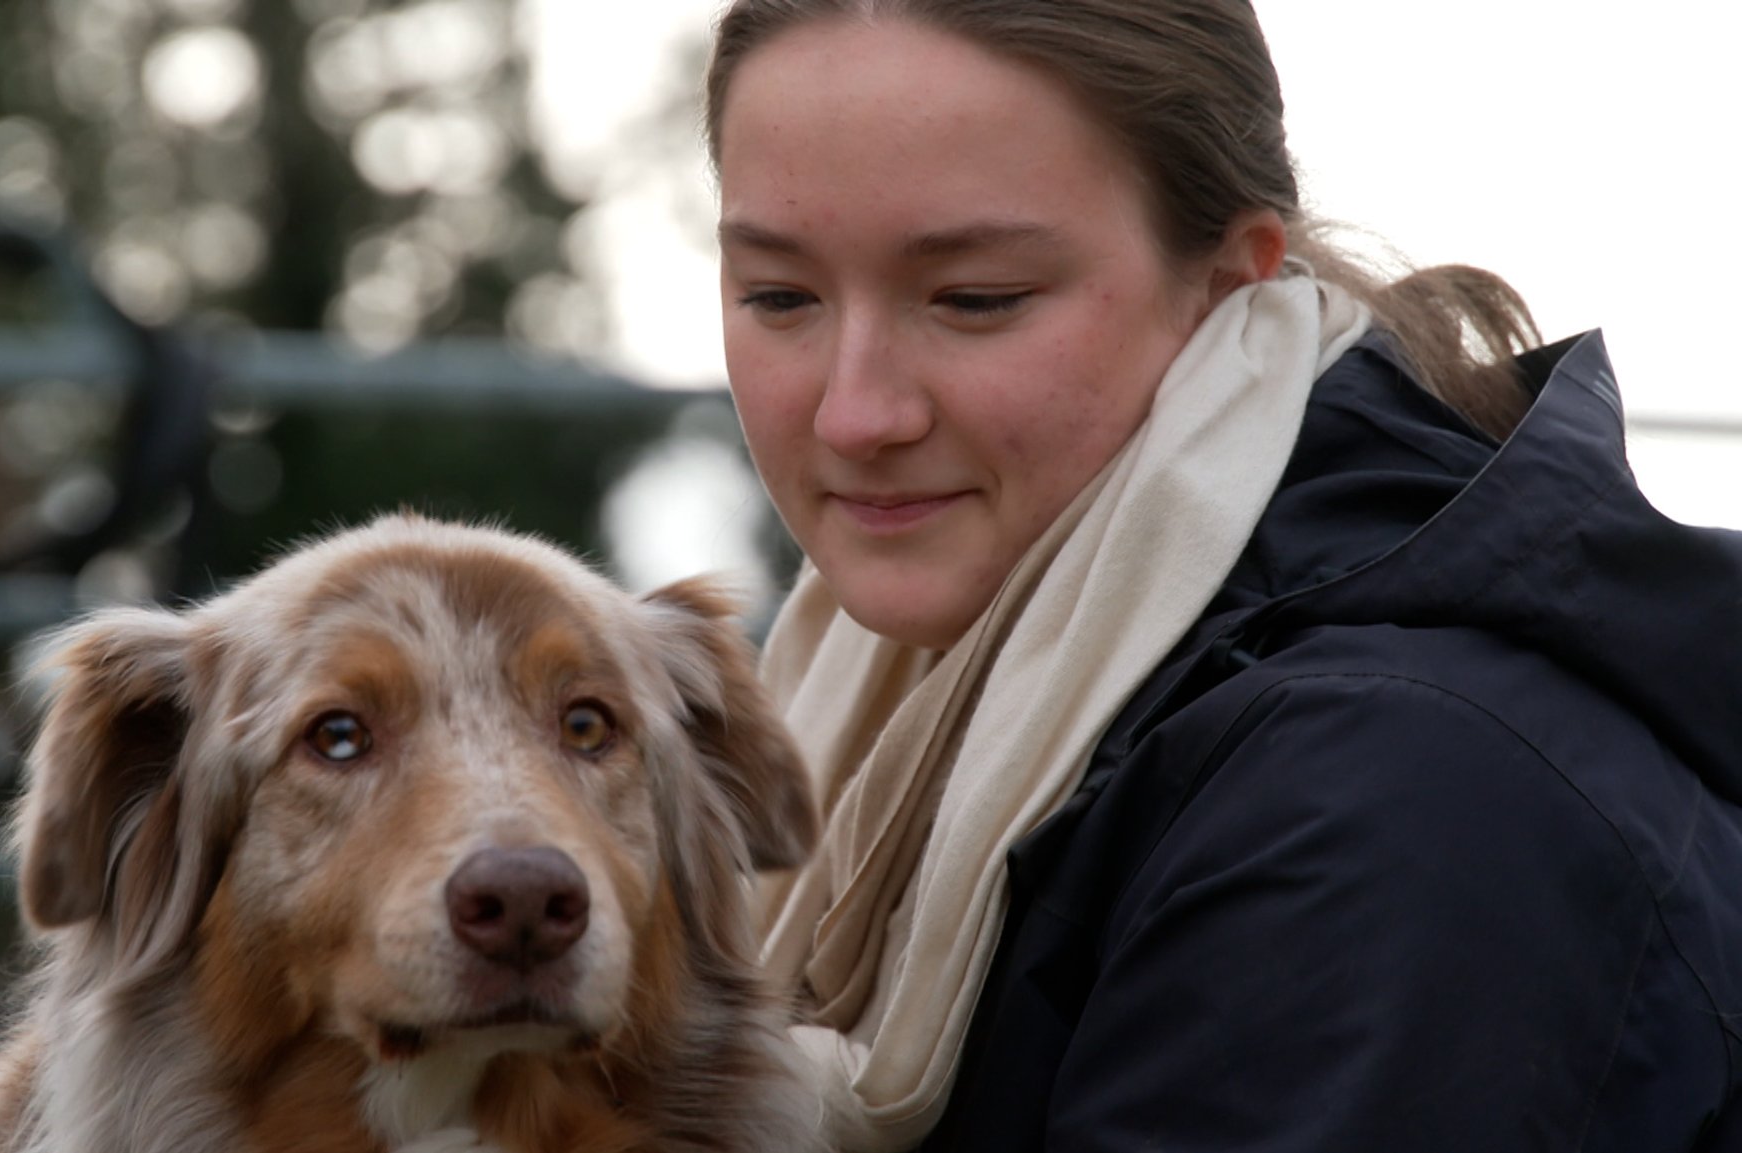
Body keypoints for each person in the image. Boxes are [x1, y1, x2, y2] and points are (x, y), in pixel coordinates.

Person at [701, 2, 1742, 1151]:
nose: (854, 414)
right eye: (778, 297)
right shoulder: (905, 694)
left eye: (975, 298)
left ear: (1231, 282)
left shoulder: (1388, 798)